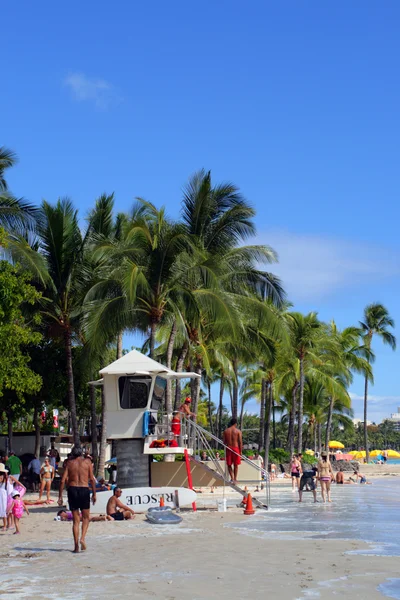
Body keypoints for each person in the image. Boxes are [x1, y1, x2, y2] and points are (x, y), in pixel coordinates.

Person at [58, 445, 97, 553]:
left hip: (72, 490)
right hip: (84, 489)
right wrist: (94, 494)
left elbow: (62, 480)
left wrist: (60, 496)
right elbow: (92, 479)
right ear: (81, 453)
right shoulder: (88, 462)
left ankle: (76, 547)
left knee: (75, 521)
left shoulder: (69, 463)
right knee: (85, 518)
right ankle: (82, 538)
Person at [223, 418, 243, 484]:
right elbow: (240, 442)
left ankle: (232, 478)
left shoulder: (226, 431)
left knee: (229, 464)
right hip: (235, 448)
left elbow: (224, 442)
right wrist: (240, 452)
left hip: (228, 447)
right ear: (235, 424)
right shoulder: (238, 431)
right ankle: (235, 479)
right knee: (236, 464)